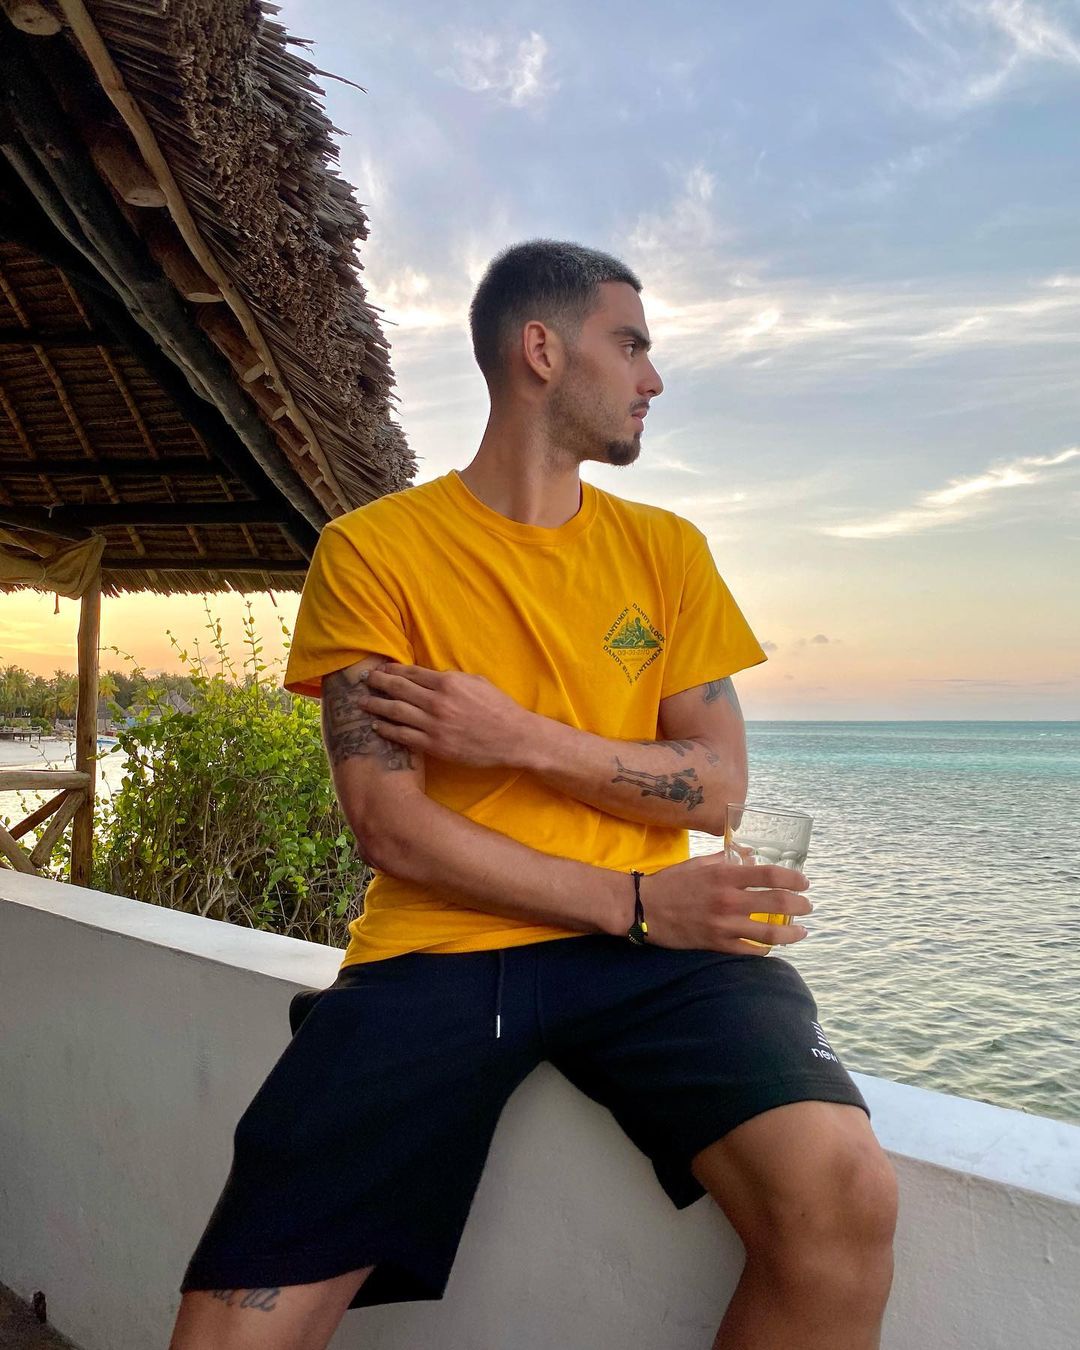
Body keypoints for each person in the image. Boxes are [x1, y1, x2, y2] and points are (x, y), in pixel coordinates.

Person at [171, 240, 897, 1350]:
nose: (654, 378)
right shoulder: (375, 552)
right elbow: (390, 825)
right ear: (542, 350)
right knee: (238, 1322)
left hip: (654, 963)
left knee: (845, 1196)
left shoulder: (667, 553)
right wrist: (635, 903)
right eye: (632, 344)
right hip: (445, 949)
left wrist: (522, 741)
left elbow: (717, 788)